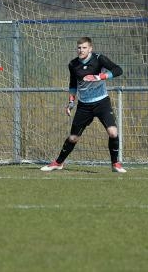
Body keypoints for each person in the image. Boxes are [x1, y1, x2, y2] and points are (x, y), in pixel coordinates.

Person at [41, 36, 125, 173]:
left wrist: (99, 77)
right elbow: (73, 84)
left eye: (84, 47)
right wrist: (71, 102)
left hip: (102, 102)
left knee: (113, 132)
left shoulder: (99, 59)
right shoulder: (73, 64)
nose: (81, 50)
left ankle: (115, 164)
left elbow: (118, 70)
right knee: (73, 138)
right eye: (79, 48)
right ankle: (58, 163)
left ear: (90, 48)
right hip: (84, 105)